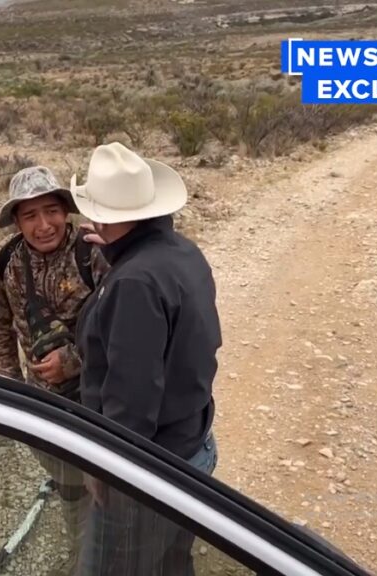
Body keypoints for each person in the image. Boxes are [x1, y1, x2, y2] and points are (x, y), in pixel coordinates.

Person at [69, 142, 223, 576]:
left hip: (147, 474)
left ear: (102, 215)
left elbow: (130, 402)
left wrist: (108, 472)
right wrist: (117, 254)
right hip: (192, 446)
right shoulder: (180, 253)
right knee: (172, 564)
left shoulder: (134, 281)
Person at [0, 165, 109, 576]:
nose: (43, 225)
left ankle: (114, 556)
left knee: (113, 485)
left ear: (66, 210)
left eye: (51, 211)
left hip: (101, 401)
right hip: (42, 404)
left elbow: (126, 333)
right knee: (71, 487)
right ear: (17, 221)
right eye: (30, 215)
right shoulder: (3, 261)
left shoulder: (95, 251)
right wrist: (13, 389)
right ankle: (83, 557)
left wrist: (73, 361)